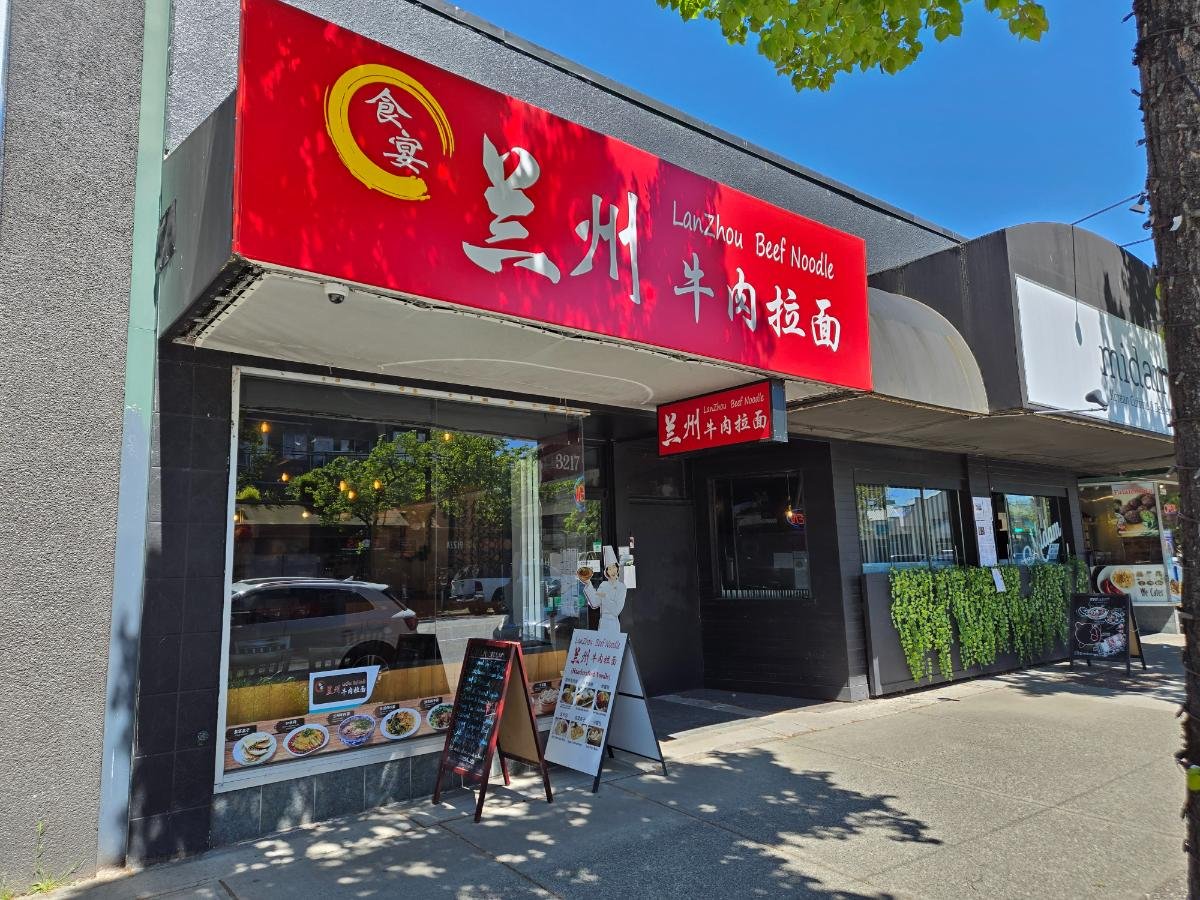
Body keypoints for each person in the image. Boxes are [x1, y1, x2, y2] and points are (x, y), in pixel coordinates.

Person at [581, 547, 626, 634]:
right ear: (606, 572)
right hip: (603, 623)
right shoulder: (603, 585)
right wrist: (588, 584)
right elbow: (594, 603)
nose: (612, 570)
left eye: (614, 567)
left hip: (613, 624)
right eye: (609, 568)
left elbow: (616, 610)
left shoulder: (621, 587)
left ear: (617, 568)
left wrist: (604, 596)